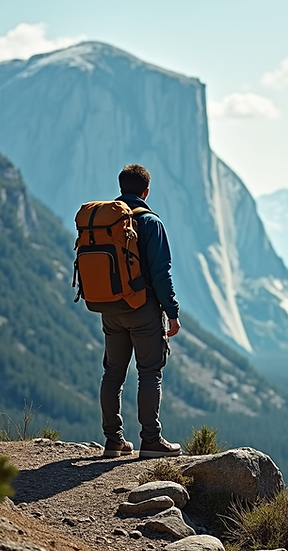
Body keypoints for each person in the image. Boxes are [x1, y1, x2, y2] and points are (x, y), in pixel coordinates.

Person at [100, 164, 182, 458]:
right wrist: (171, 312)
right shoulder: (150, 222)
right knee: (149, 372)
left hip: (110, 307)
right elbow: (161, 273)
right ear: (146, 191)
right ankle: (151, 440)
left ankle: (113, 440)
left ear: (122, 187)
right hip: (142, 307)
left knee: (112, 373)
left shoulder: (108, 221)